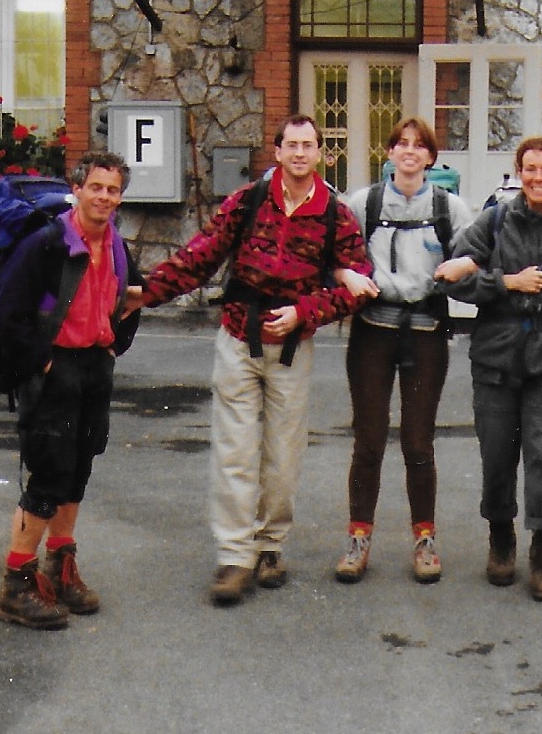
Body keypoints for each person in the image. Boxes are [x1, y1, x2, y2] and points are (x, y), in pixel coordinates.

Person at [131, 115, 372, 606]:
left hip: (292, 347)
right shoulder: (248, 202)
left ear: (321, 154)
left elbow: (359, 283)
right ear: (278, 153)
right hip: (239, 338)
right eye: (292, 145)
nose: (300, 153)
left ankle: (270, 545)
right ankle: (235, 556)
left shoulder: (336, 214)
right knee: (235, 451)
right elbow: (202, 254)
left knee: (282, 458)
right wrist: (148, 292)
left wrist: (304, 313)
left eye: (309, 145)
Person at [438, 135, 542, 602]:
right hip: (494, 354)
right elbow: (452, 277)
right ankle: (501, 538)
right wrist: (505, 282)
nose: (538, 178)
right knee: (495, 455)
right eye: (530, 169)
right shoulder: (492, 222)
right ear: (518, 173)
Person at [0, 151, 143, 629]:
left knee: (78, 468)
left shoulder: (116, 243)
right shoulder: (46, 243)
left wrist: (116, 345)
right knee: (48, 475)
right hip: (56, 368)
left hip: (95, 365)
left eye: (113, 190)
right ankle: (16, 583)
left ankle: (61, 565)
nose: (104, 197)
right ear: (76, 189)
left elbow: (131, 294)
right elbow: (6, 315)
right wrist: (43, 362)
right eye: (95, 187)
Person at [331, 117, 474, 584]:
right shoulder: (362, 203)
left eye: (419, 146)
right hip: (373, 328)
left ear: (431, 157)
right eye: (401, 144)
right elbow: (335, 256)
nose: (410, 152)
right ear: (388, 152)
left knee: (418, 442)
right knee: (368, 439)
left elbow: (474, 261)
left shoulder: (450, 207)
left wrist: (463, 269)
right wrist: (346, 279)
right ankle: (358, 538)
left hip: (427, 331)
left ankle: (425, 539)